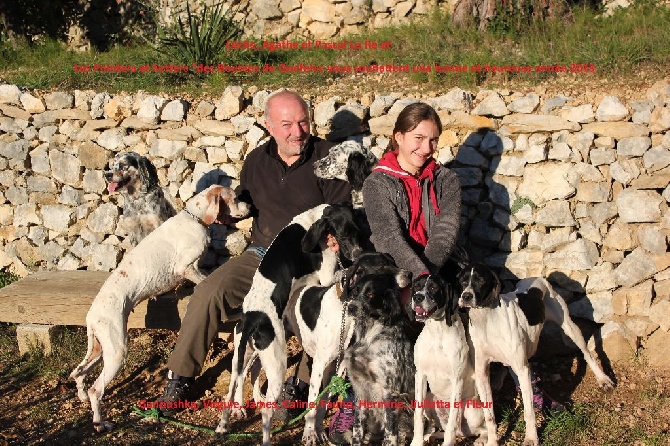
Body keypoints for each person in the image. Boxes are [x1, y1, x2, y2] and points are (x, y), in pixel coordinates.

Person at [157, 90, 352, 413]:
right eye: (287, 124)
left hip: (310, 260)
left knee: (324, 309)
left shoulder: (328, 157)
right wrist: (225, 214)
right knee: (208, 291)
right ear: (268, 125)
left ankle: (301, 385)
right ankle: (180, 377)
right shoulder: (256, 161)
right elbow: (243, 207)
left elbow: (339, 213)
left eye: (303, 122)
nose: (297, 132)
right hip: (261, 255)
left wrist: (334, 239)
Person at [326, 102, 462, 445]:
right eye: (418, 138)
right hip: (394, 266)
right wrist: (414, 279)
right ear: (398, 137)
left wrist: (424, 283)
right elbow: (388, 238)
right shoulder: (377, 184)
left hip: (437, 268)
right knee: (368, 330)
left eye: (433, 140)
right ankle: (353, 402)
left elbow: (445, 233)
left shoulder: (447, 180)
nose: (426, 148)